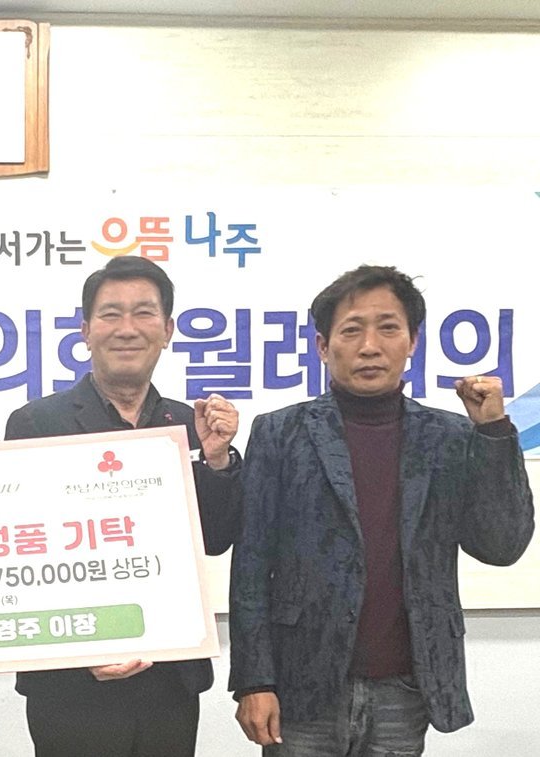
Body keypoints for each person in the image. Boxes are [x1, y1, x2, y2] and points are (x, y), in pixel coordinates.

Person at [229, 264, 535, 756]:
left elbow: (501, 545)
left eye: (388, 328)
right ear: (323, 346)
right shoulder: (281, 433)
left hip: (405, 687)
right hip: (302, 684)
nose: (370, 346)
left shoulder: (451, 436)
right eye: (351, 330)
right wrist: (254, 680)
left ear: (412, 341)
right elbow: (250, 565)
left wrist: (494, 433)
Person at [4, 254, 242, 757]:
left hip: (169, 678)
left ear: (168, 330)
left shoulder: (189, 423)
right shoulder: (35, 423)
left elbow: (217, 539)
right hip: (71, 684)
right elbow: (20, 556)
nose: (127, 328)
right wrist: (80, 651)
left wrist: (218, 460)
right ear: (86, 331)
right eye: (110, 314)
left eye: (144, 313)